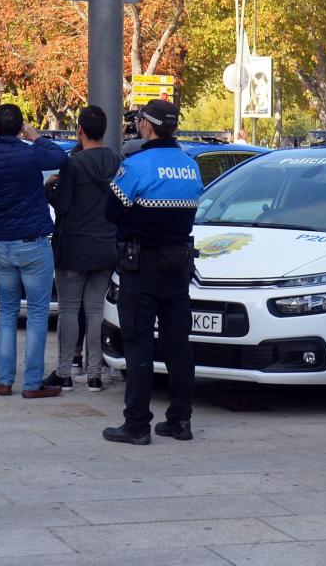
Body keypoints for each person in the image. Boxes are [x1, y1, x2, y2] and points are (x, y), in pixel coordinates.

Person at [102, 99, 202, 445]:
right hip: (178, 265)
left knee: (139, 342)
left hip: (140, 265)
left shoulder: (137, 165)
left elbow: (111, 211)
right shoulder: (191, 167)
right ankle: (180, 420)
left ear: (147, 124)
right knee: (178, 345)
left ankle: (137, 424)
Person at [0, 104, 68, 398]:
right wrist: (35, 135)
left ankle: (4, 380)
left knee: (6, 312)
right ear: (20, 128)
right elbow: (59, 157)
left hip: (2, 243)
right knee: (38, 313)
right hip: (32, 243)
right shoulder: (31, 154)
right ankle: (32, 384)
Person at [43, 106, 122, 393]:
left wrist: (49, 189)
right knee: (95, 312)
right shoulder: (116, 160)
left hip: (74, 247)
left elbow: (63, 206)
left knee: (68, 309)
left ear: (79, 131)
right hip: (105, 247)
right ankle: (94, 375)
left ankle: (64, 372)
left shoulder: (73, 164)